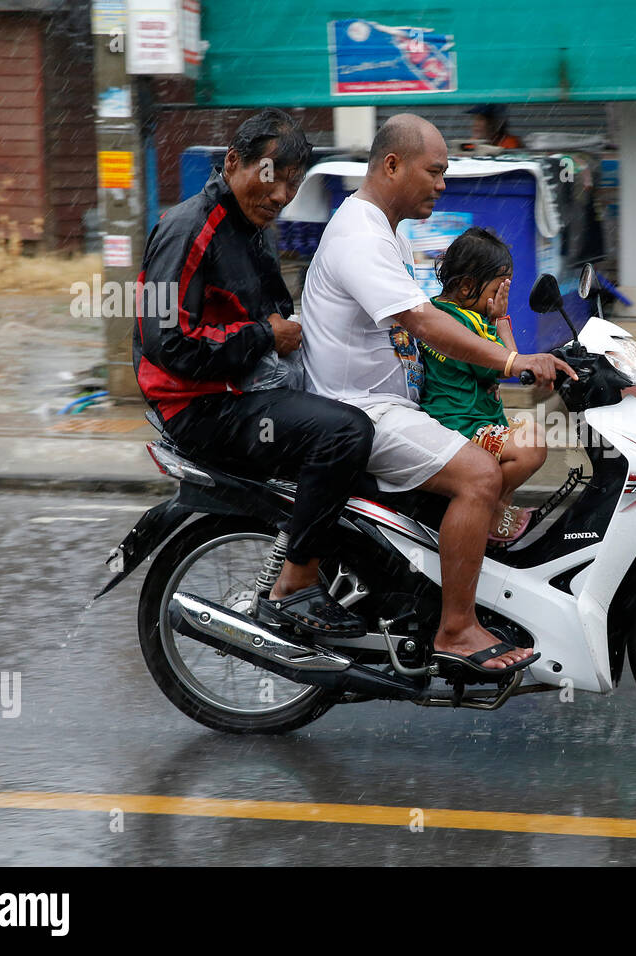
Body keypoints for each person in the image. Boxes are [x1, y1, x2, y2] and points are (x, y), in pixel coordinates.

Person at [299, 113, 575, 677]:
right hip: (366, 413)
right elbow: (423, 321)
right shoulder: (360, 235)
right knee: (479, 475)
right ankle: (456, 630)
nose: (443, 185)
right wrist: (514, 359)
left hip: (394, 407)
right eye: (436, 171)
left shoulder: (386, 232)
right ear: (392, 165)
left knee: (508, 453)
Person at [133, 108, 373, 637]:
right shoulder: (185, 229)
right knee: (345, 432)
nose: (282, 194)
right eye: (272, 176)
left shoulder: (254, 230)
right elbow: (164, 340)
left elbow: (274, 312)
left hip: (243, 387)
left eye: (292, 184)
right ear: (233, 161)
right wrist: (266, 337)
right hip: (200, 405)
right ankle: (295, 587)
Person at [419, 227, 548, 543]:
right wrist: (502, 321)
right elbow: (508, 366)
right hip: (461, 427)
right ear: (466, 287)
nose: (502, 298)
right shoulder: (467, 324)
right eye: (498, 289)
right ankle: (492, 506)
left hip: (457, 420)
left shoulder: (441, 313)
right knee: (532, 447)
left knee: (526, 432)